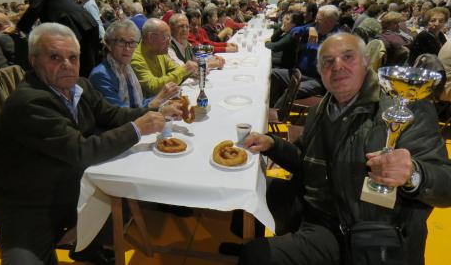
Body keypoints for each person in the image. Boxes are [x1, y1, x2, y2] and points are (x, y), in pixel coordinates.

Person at [238, 33, 451, 265]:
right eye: (328, 61)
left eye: (347, 57)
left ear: (366, 61)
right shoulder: (321, 108)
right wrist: (272, 144)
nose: (337, 66)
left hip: (351, 232)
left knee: (256, 256)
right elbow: (304, 158)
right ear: (320, 71)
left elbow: (445, 185)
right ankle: (254, 235)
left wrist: (413, 174)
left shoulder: (407, 109)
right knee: (247, 190)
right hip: (312, 205)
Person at [0, 22, 181, 265]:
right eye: (54, 57)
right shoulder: (30, 103)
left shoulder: (81, 86)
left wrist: (154, 111)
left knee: (123, 192)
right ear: (33, 60)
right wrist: (139, 128)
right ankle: (79, 240)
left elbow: (113, 115)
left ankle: (85, 246)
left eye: (73, 57)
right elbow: (81, 151)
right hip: (24, 205)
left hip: (64, 180)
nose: (67, 65)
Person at [90, 20, 180, 108]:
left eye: (132, 43)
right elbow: (119, 115)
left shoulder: (127, 68)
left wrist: (163, 98)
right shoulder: (100, 75)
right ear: (109, 44)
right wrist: (156, 101)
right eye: (121, 42)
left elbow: (138, 104)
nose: (127, 49)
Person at [17, 0, 100, 77]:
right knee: (89, 66)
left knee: (76, 68)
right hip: (86, 21)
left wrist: (19, 27)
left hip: (68, 24)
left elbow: (34, 8)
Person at [131, 18, 197, 98]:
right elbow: (154, 87)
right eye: (166, 37)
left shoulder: (159, 51)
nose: (169, 42)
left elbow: (174, 68)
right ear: (151, 37)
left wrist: (188, 71)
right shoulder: (136, 58)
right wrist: (184, 70)